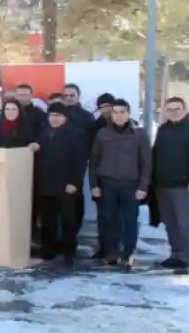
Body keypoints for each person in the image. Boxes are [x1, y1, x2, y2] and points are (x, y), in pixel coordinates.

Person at [89, 99, 152, 268]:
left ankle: (127, 254)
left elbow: (146, 163)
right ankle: (110, 253)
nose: (118, 116)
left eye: (122, 112)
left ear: (129, 113)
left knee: (130, 220)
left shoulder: (139, 134)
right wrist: (93, 185)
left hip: (130, 185)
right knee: (108, 220)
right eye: (115, 112)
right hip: (106, 184)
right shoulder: (103, 133)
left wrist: (143, 187)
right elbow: (94, 161)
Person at [152, 97, 189, 275]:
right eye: (169, 109)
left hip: (184, 186)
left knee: (185, 224)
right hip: (163, 185)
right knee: (170, 223)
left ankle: (188, 259)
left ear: (185, 110)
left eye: (177, 108)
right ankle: (176, 255)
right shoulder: (163, 130)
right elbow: (156, 154)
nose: (174, 112)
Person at [34, 103, 87, 266]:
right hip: (46, 185)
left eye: (58, 115)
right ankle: (49, 248)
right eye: (52, 115)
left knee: (68, 220)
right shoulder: (43, 134)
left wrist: (74, 182)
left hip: (67, 185)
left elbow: (80, 162)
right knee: (47, 220)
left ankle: (69, 250)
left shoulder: (76, 134)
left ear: (65, 117)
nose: (54, 119)